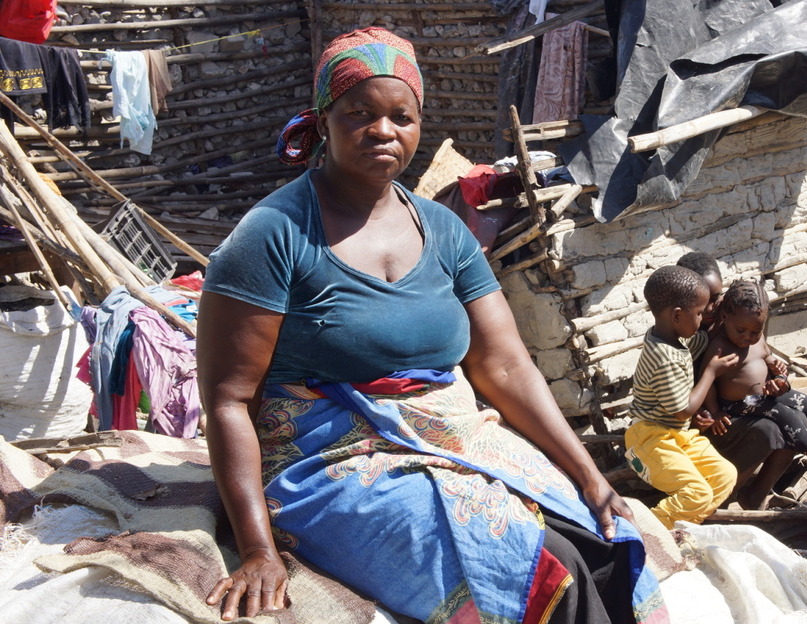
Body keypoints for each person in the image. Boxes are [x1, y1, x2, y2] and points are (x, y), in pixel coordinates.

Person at [196, 27, 667, 624]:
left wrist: (591, 478)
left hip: (449, 431)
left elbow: (505, 365)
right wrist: (258, 550)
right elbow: (228, 400)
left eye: (402, 116)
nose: (384, 131)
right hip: (325, 458)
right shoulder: (273, 234)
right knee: (543, 570)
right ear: (323, 120)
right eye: (359, 113)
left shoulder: (444, 232)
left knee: (605, 544)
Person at [699, 280, 807, 510]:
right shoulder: (720, 347)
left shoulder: (758, 340)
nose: (748, 336)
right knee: (784, 415)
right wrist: (715, 411)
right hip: (736, 405)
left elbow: (767, 358)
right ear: (725, 318)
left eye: (756, 331)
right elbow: (709, 382)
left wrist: (779, 377)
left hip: (759, 398)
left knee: (803, 401)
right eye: (741, 330)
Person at [622, 266, 740, 530]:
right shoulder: (663, 358)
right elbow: (683, 411)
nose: (703, 319)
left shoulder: (672, 338)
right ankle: (650, 534)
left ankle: (683, 526)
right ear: (677, 316)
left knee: (725, 475)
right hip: (648, 439)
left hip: (676, 436)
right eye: (699, 313)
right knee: (697, 492)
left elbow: (699, 342)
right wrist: (710, 371)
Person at [675, 251, 723, 333]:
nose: (709, 309)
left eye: (715, 299)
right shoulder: (681, 338)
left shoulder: (741, 320)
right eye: (700, 303)